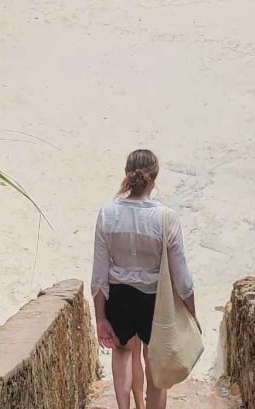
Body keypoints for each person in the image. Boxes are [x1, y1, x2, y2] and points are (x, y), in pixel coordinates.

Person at [92, 150, 192, 409]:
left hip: (119, 295)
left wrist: (100, 317)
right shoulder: (166, 217)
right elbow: (181, 276)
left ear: (127, 174)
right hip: (154, 298)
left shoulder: (107, 214)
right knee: (154, 361)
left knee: (123, 351)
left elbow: (99, 274)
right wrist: (192, 314)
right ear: (155, 177)